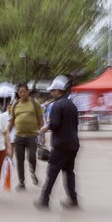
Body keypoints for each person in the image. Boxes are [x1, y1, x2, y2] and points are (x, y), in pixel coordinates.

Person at [34, 76, 80, 210]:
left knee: (52, 171)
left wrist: (44, 128)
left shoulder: (57, 105)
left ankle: (44, 199)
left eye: (53, 90)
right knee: (69, 172)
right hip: (73, 144)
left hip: (61, 145)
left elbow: (54, 124)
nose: (51, 93)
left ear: (58, 91)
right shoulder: (71, 104)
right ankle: (73, 199)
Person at [9, 83, 44, 189]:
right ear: (18, 93)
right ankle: (21, 182)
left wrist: (41, 134)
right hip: (19, 137)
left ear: (28, 92)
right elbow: (11, 122)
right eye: (20, 92)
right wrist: (6, 135)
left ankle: (32, 171)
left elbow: (41, 120)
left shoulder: (34, 103)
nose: (22, 93)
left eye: (24, 91)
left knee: (32, 157)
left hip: (32, 136)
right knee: (20, 160)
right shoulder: (14, 105)